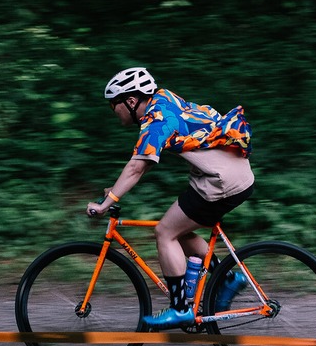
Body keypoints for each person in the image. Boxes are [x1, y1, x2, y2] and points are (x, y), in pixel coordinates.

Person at [86, 67, 254, 329]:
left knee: (165, 232)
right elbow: (147, 160)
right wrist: (115, 189)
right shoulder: (164, 100)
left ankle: (180, 309)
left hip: (220, 181)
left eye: (113, 105)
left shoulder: (156, 120)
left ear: (130, 101)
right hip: (233, 174)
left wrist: (105, 205)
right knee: (181, 230)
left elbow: (136, 167)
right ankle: (227, 278)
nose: (113, 111)